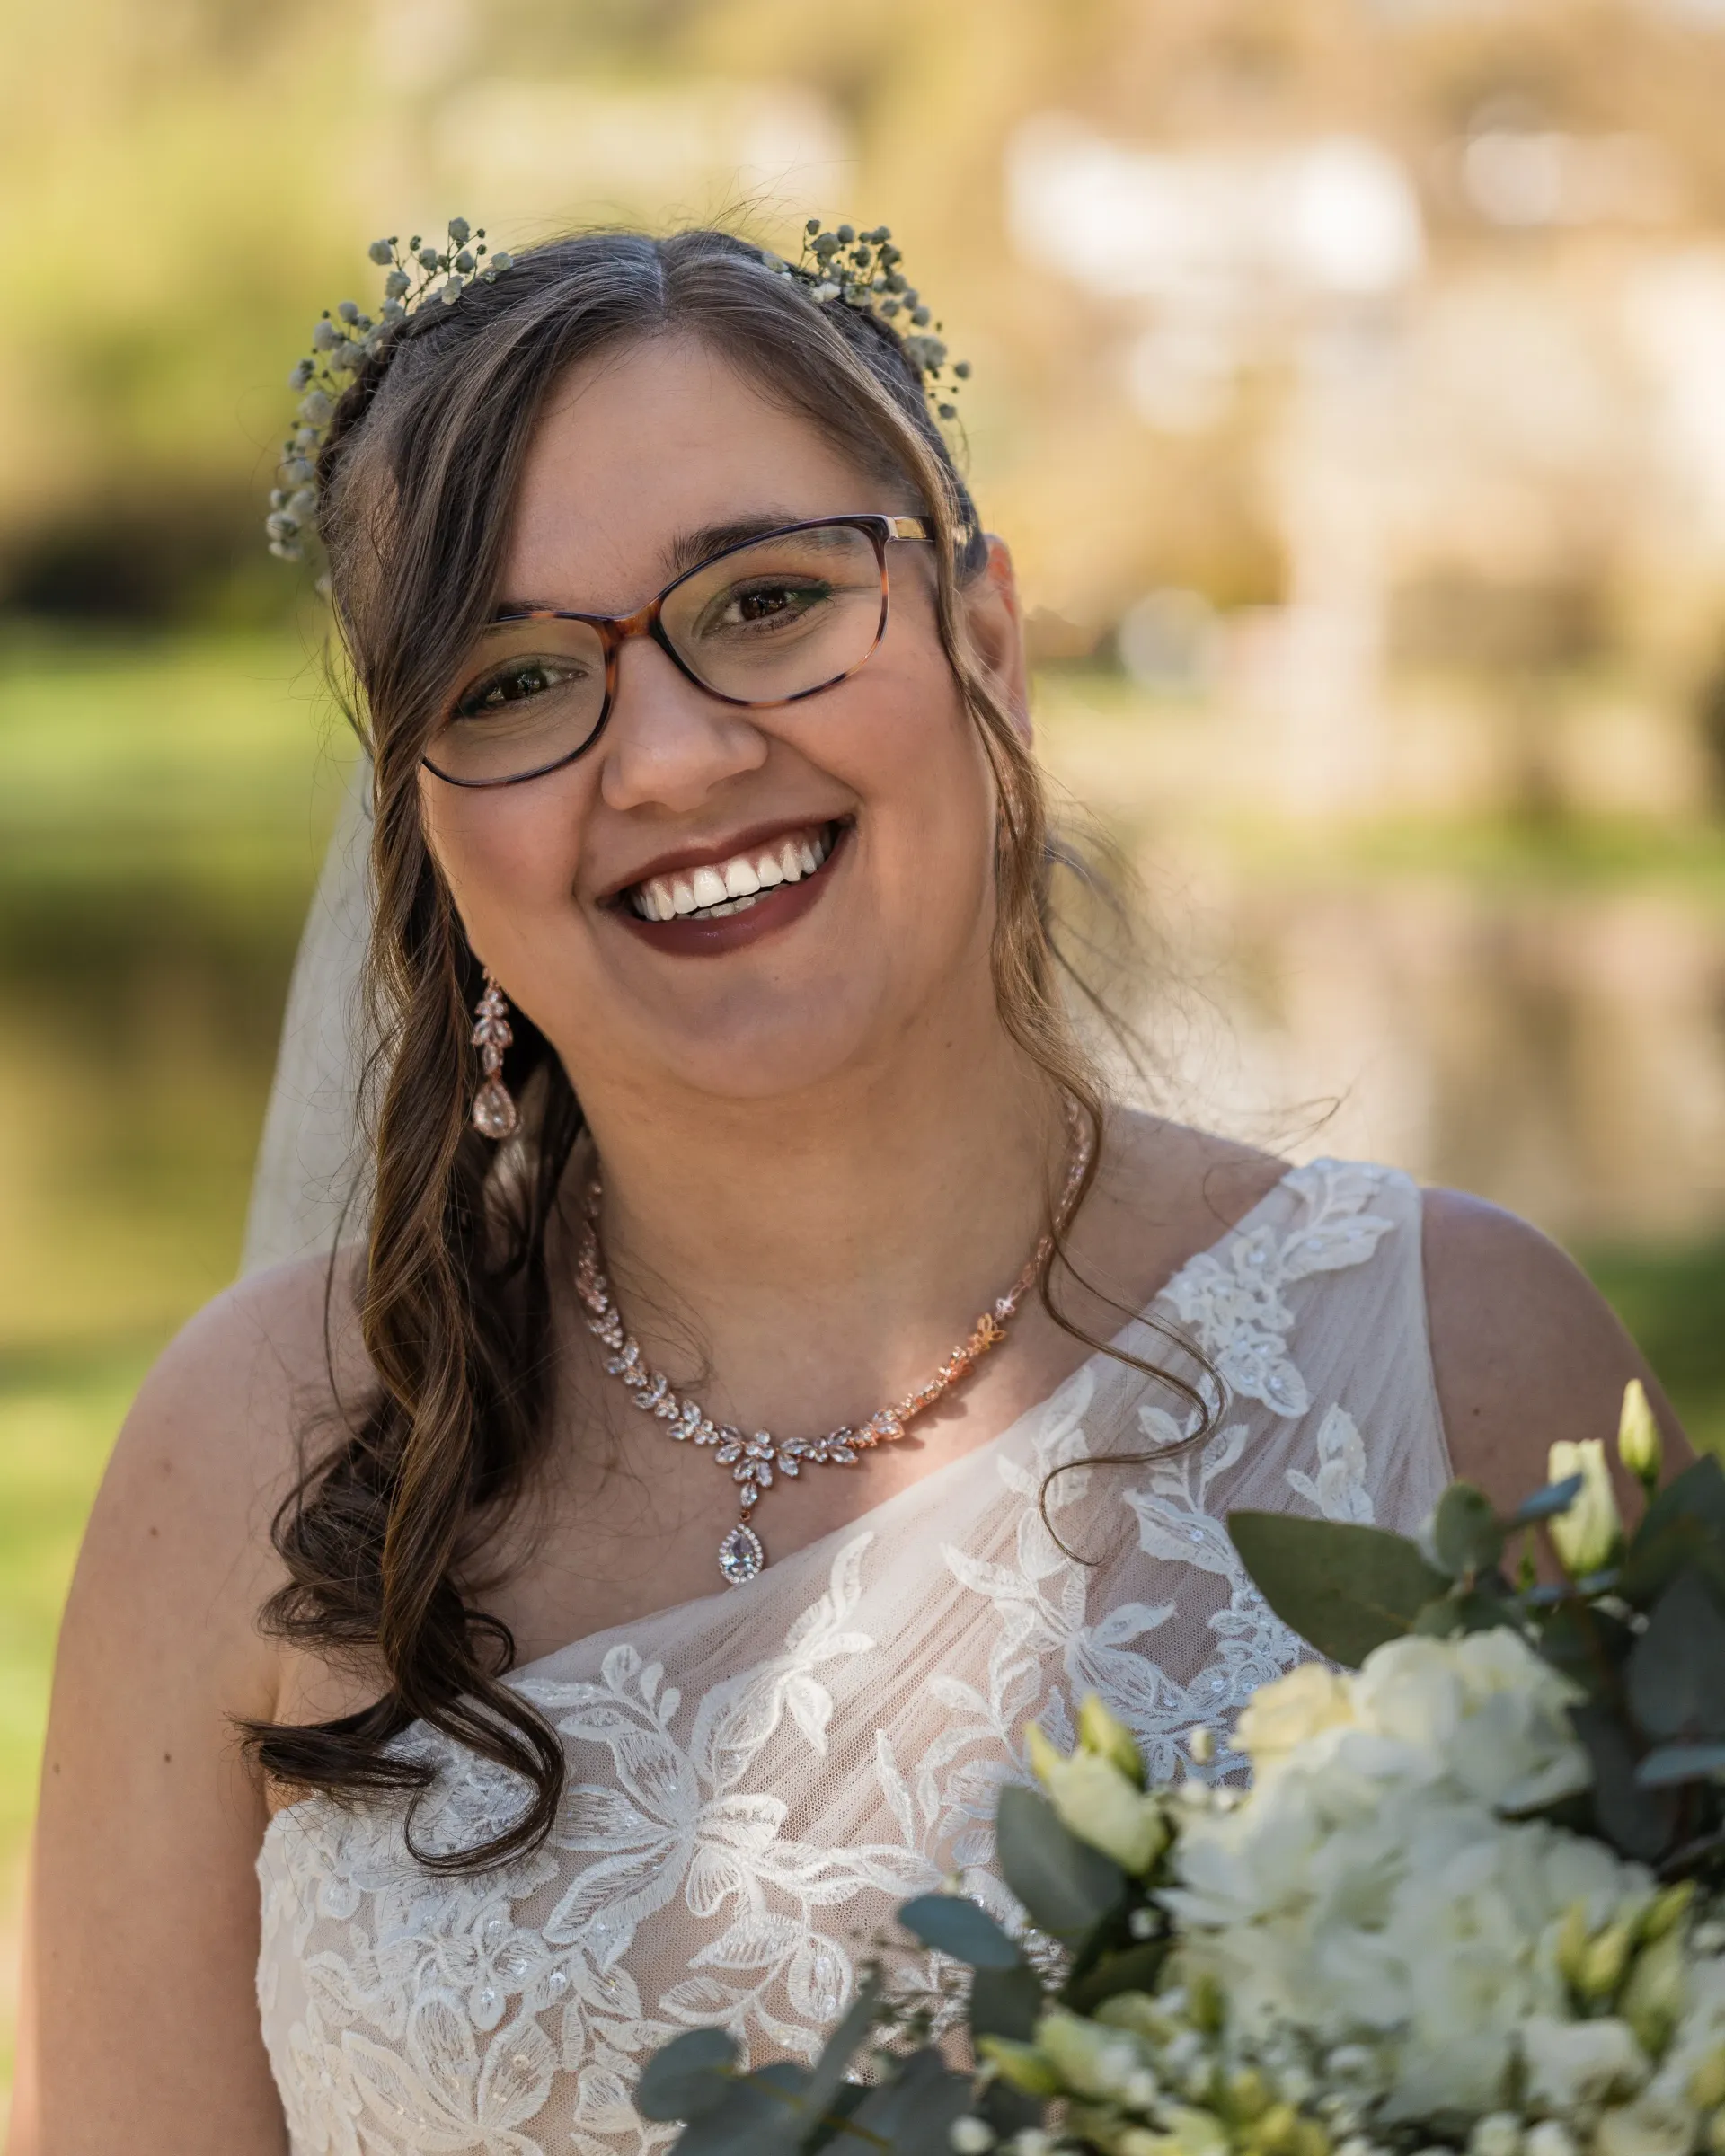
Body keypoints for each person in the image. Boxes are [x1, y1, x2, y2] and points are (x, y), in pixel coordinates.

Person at [8, 223, 1684, 2156]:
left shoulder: (1460, 1361)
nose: (670, 755)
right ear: (426, 826)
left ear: (983, 640)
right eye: (515, 679)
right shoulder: (252, 1449)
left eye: (768, 600)